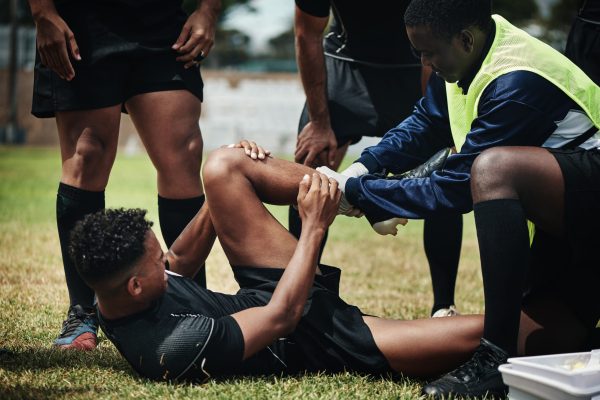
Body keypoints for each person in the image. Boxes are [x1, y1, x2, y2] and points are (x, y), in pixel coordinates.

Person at [312, 0, 600, 397]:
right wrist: (359, 171)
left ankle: (493, 360)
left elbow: (456, 186)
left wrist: (363, 195)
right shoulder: (469, 54)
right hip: (573, 218)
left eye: (429, 52)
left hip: (591, 201)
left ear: (464, 39)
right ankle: (513, 351)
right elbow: (425, 124)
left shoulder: (516, 80)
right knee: (547, 344)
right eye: (418, 53)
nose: (425, 62)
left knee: (493, 169)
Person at [69, 144, 485, 382]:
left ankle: (375, 198)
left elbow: (179, 260)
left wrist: (226, 193)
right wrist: (314, 228)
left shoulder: (117, 294)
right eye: (155, 264)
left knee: (224, 166)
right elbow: (283, 316)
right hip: (317, 337)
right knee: (493, 330)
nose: (166, 262)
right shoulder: (172, 347)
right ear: (136, 287)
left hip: (266, 293)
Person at [27, 0, 221, 350]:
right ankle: (83, 311)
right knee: (86, 155)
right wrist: (42, 13)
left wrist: (208, 9)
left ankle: (194, 303)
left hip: (162, 26)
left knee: (184, 154)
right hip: (82, 24)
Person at [290, 0, 464, 318]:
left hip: (414, 66)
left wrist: (438, 126)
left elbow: (437, 35)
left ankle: (443, 306)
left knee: (442, 165)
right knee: (309, 168)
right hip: (345, 65)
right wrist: (319, 122)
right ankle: (299, 293)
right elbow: (306, 34)